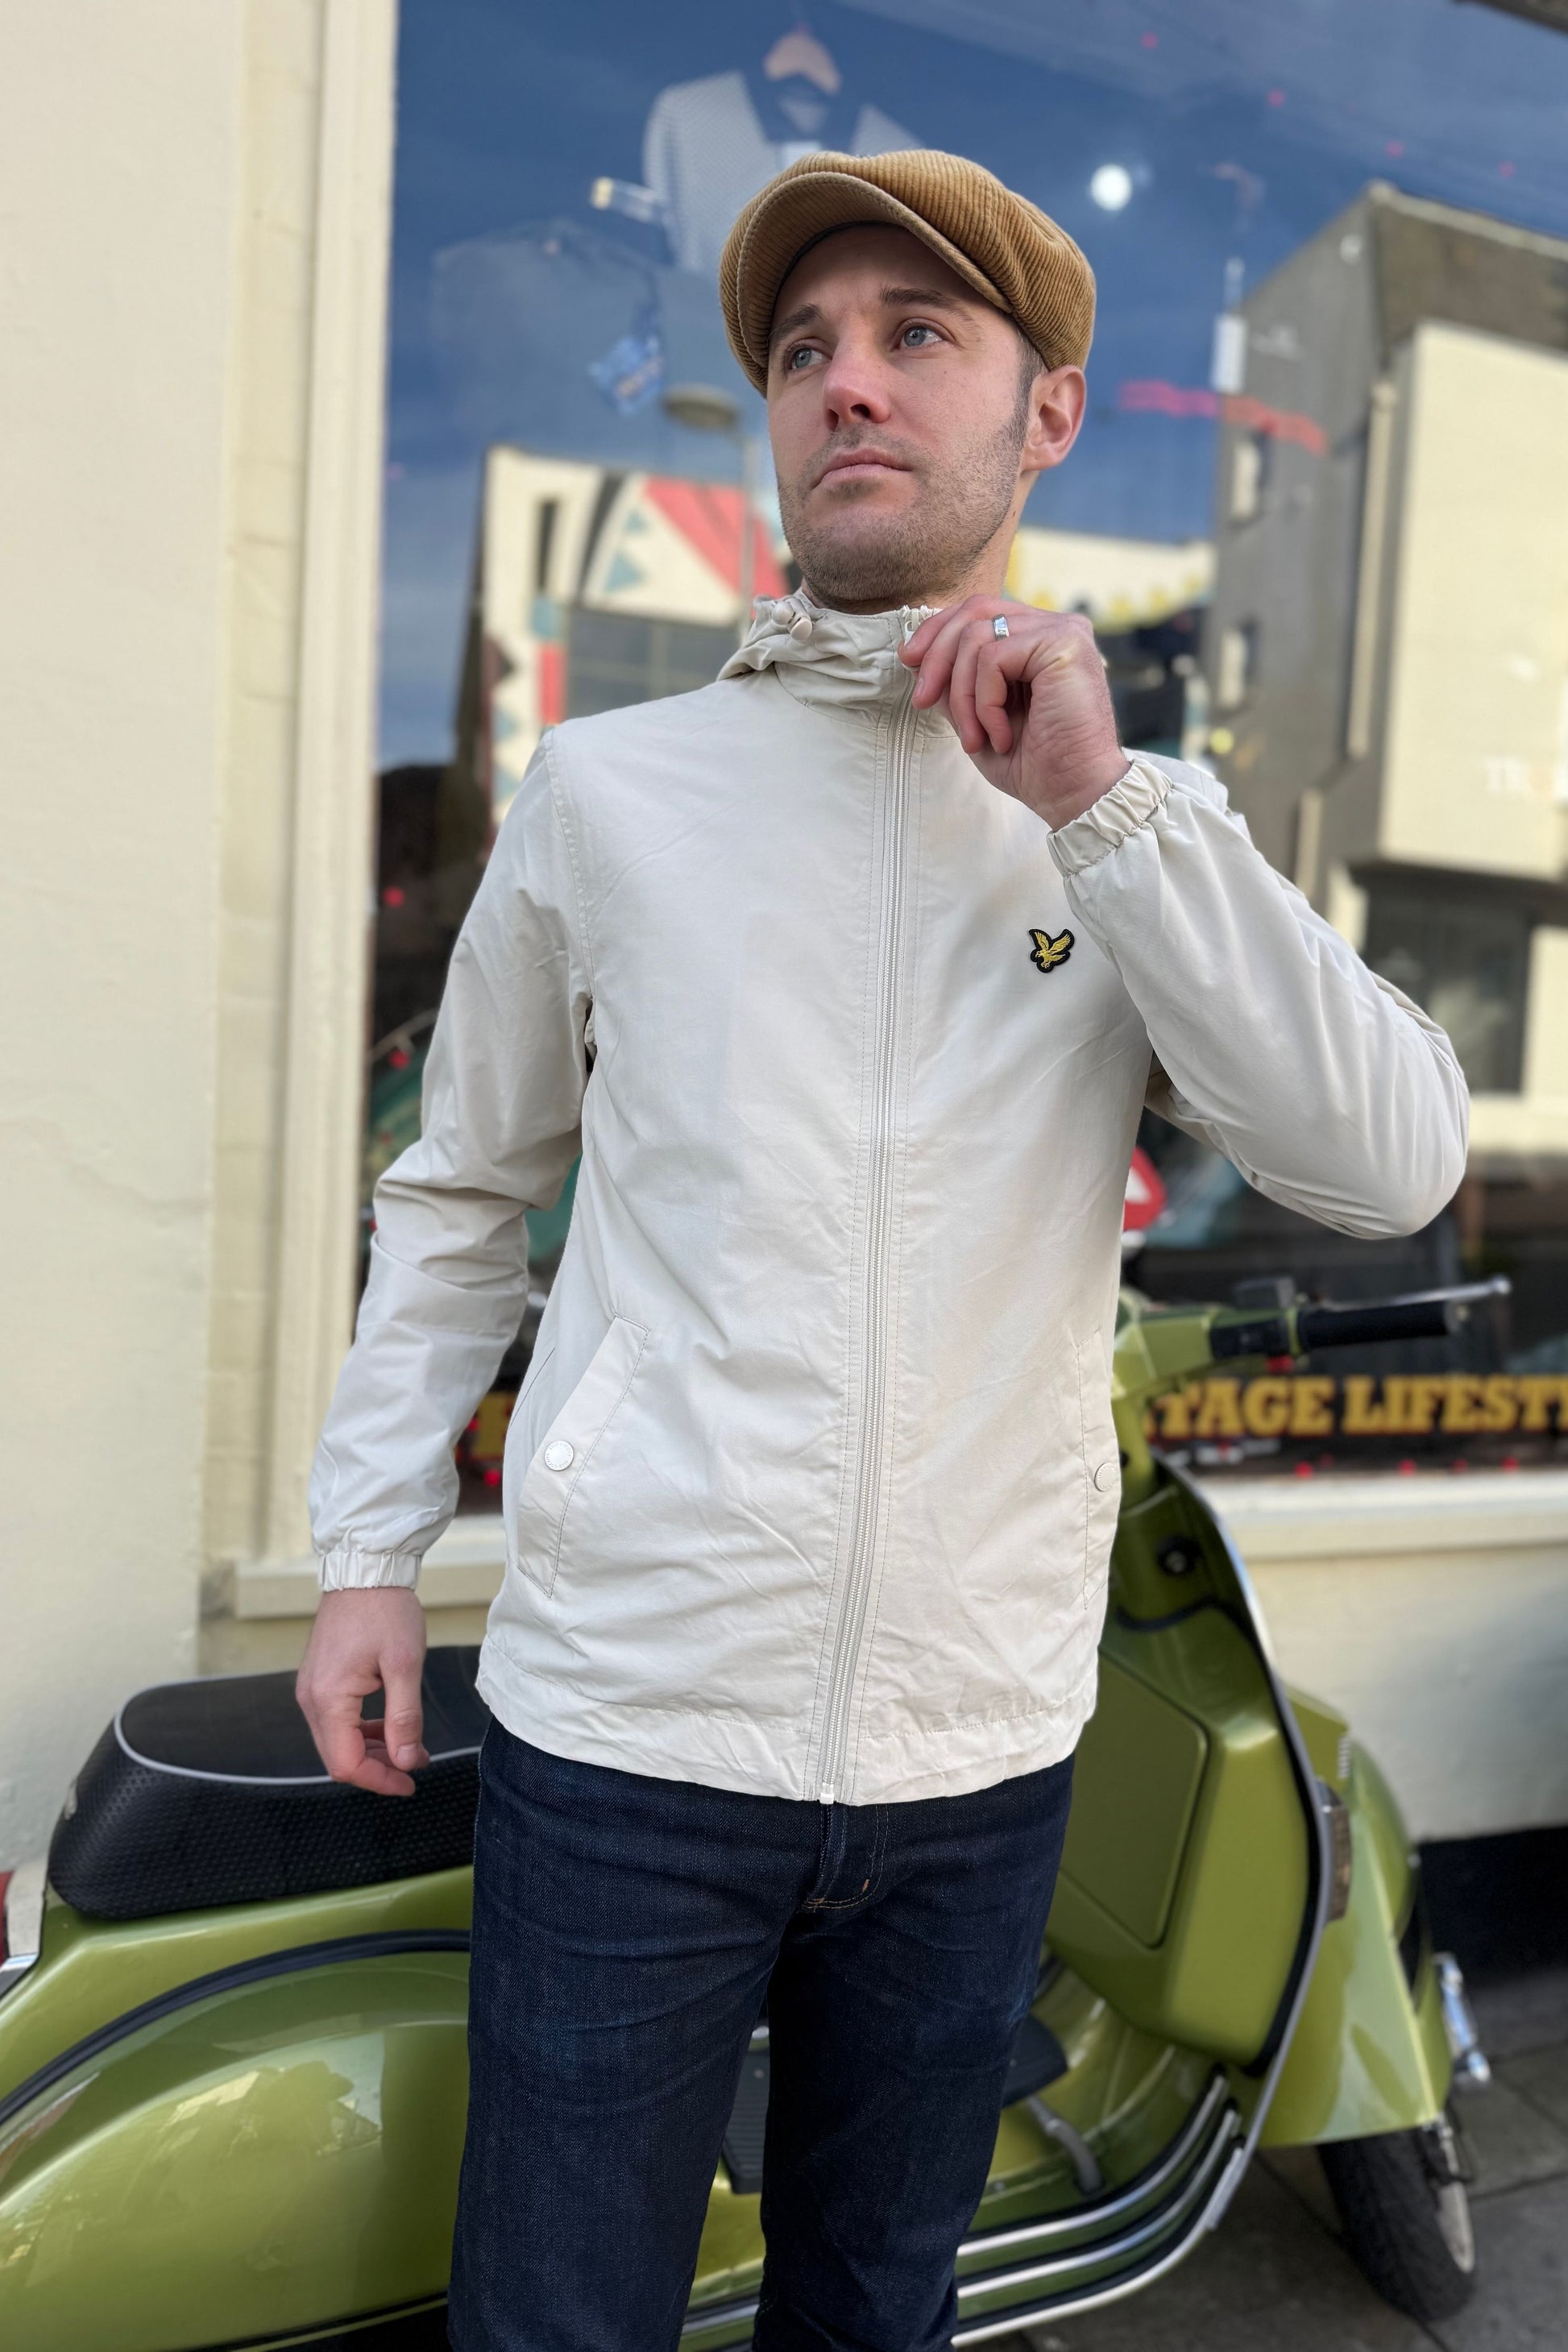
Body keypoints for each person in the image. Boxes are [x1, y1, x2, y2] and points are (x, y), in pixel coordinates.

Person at [297, 150, 1467, 2352]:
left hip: (978, 1755)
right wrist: (367, 1552)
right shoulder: (609, 796)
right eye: (802, 350)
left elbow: (1387, 1161)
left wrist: (1103, 813)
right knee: (553, 2320)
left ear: (1046, 416)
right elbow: (458, 1191)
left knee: (876, 2312)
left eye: (916, 334)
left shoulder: (1129, 821)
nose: (846, 382)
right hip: (628, 1732)